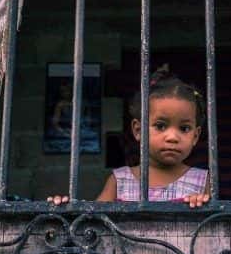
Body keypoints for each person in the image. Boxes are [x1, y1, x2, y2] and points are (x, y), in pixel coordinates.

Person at [47, 65, 211, 208]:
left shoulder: (201, 181)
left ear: (196, 136)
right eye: (160, 126)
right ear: (138, 130)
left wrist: (201, 206)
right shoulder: (120, 180)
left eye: (184, 128)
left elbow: (213, 229)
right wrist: (65, 210)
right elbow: (92, 223)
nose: (173, 137)